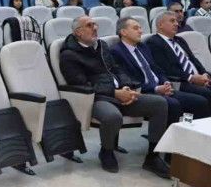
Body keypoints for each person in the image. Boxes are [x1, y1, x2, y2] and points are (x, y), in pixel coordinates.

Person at [59, 16, 170, 177]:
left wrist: (126, 87)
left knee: (159, 103)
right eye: (90, 25)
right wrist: (115, 92)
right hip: (95, 98)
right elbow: (82, 84)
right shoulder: (69, 55)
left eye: (95, 24)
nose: (95, 28)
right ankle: (106, 151)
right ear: (78, 32)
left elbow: (117, 69)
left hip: (119, 92)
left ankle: (152, 157)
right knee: (112, 116)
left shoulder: (102, 46)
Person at [110, 17, 211, 130]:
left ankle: (191, 133)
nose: (140, 31)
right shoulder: (116, 52)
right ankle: (163, 142)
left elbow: (157, 69)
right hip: (143, 91)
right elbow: (129, 79)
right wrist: (156, 88)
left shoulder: (143, 47)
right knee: (173, 104)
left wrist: (165, 82)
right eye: (135, 28)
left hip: (160, 88)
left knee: (200, 102)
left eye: (140, 28)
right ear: (123, 32)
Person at [147, 11, 211, 112]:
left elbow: (194, 61)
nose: (177, 24)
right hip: (181, 82)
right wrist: (191, 78)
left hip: (199, 79)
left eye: (176, 21)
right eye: (172, 21)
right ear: (160, 24)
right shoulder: (154, 42)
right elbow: (166, 69)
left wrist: (204, 74)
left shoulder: (180, 40)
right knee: (205, 93)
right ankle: (205, 125)